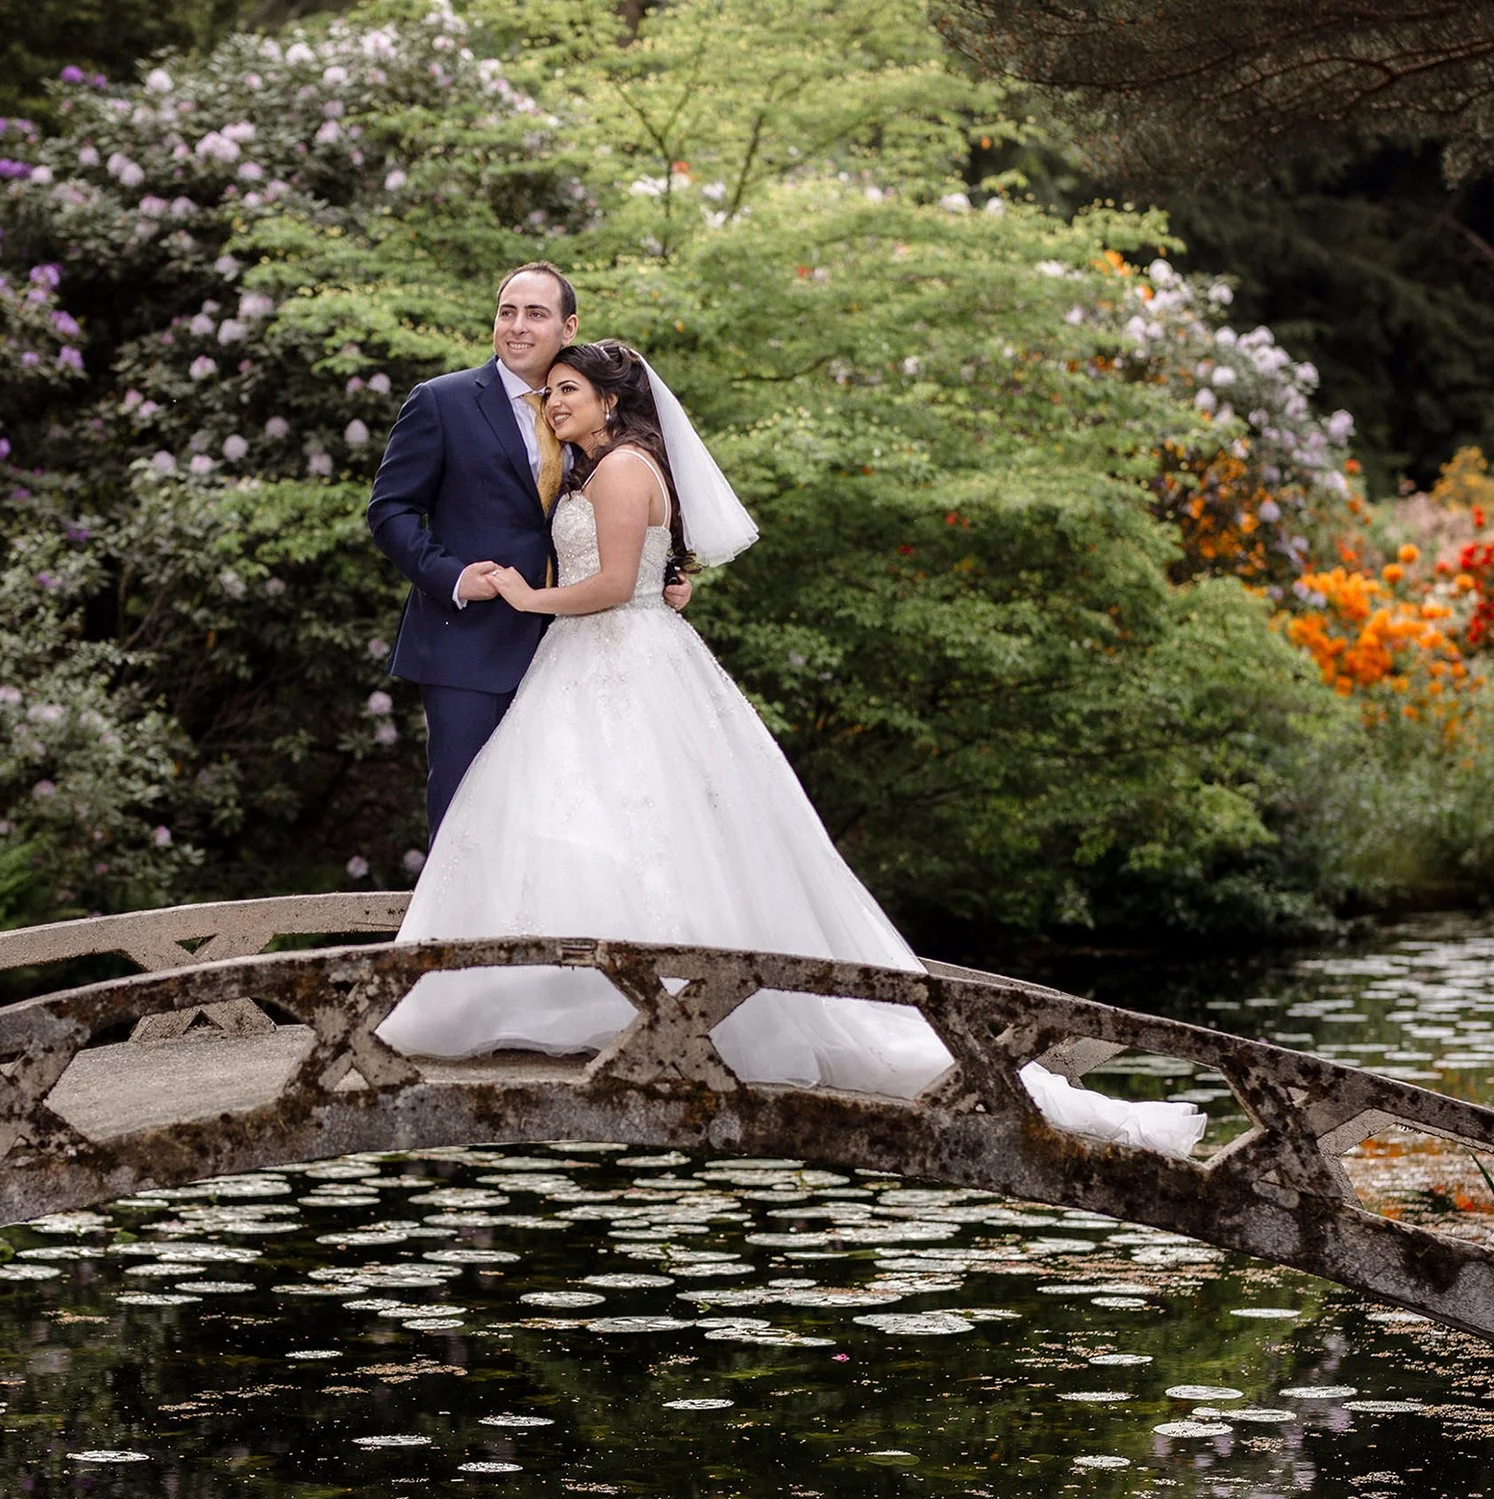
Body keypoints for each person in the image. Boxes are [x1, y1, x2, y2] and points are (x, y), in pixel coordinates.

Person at [374, 340, 1206, 1158]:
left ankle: (655, 1007)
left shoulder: (624, 467)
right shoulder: (600, 467)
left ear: (611, 401)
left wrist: (527, 595)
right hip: (591, 662)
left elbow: (606, 583)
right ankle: (589, 1003)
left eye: (567, 392)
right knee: (584, 822)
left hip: (618, 657)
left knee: (640, 822)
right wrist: (655, 582)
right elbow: (641, 570)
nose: (554, 404)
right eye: (550, 393)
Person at [367, 262, 689, 835]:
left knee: (564, 819)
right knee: (465, 812)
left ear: (568, 327)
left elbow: (613, 519)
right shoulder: (441, 402)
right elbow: (389, 510)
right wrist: (455, 578)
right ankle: (450, 927)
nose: (517, 326)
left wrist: (658, 574)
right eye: (506, 312)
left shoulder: (586, 414)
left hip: (575, 652)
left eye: (535, 314)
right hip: (466, 645)